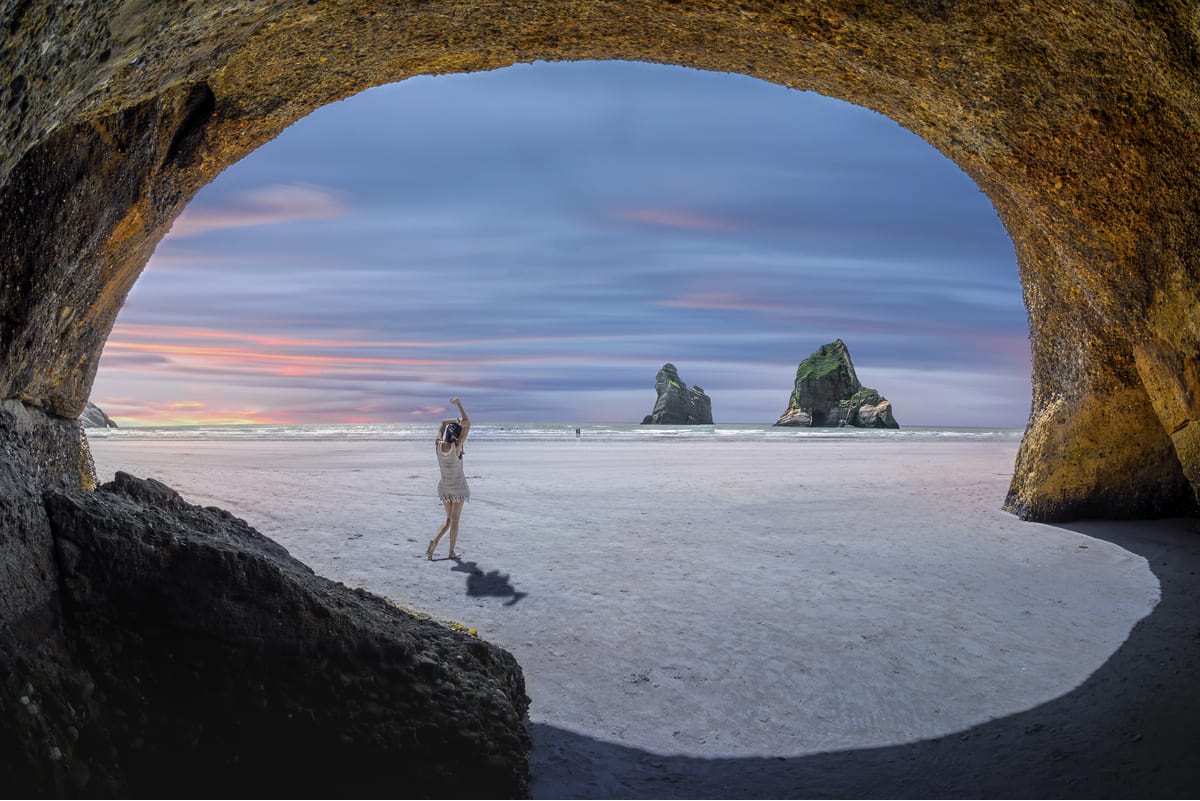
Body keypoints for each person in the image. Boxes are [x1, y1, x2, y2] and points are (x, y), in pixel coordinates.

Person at [426, 396, 471, 560]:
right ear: (458, 437)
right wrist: (459, 405)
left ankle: (434, 541)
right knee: (455, 520)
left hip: (444, 488)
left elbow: (443, 423)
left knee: (448, 519)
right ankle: (451, 551)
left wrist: (454, 421)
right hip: (457, 488)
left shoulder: (438, 444)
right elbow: (468, 422)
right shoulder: (457, 447)